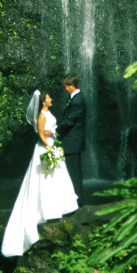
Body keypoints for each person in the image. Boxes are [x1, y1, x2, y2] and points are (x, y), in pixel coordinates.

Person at [0, 89, 78, 258]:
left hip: (53, 144)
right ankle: (45, 210)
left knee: (56, 176)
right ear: (43, 101)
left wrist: (54, 138)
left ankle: (60, 206)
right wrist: (49, 146)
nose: (51, 100)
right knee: (44, 178)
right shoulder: (41, 115)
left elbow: (51, 130)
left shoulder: (48, 113)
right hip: (45, 148)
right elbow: (40, 134)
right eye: (49, 98)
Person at [55, 73, 86, 204]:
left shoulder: (77, 101)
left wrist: (54, 131)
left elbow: (69, 121)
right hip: (70, 143)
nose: (63, 89)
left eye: (65, 86)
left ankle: (78, 204)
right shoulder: (73, 98)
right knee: (71, 174)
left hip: (72, 144)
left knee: (74, 175)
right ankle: (73, 202)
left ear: (72, 85)